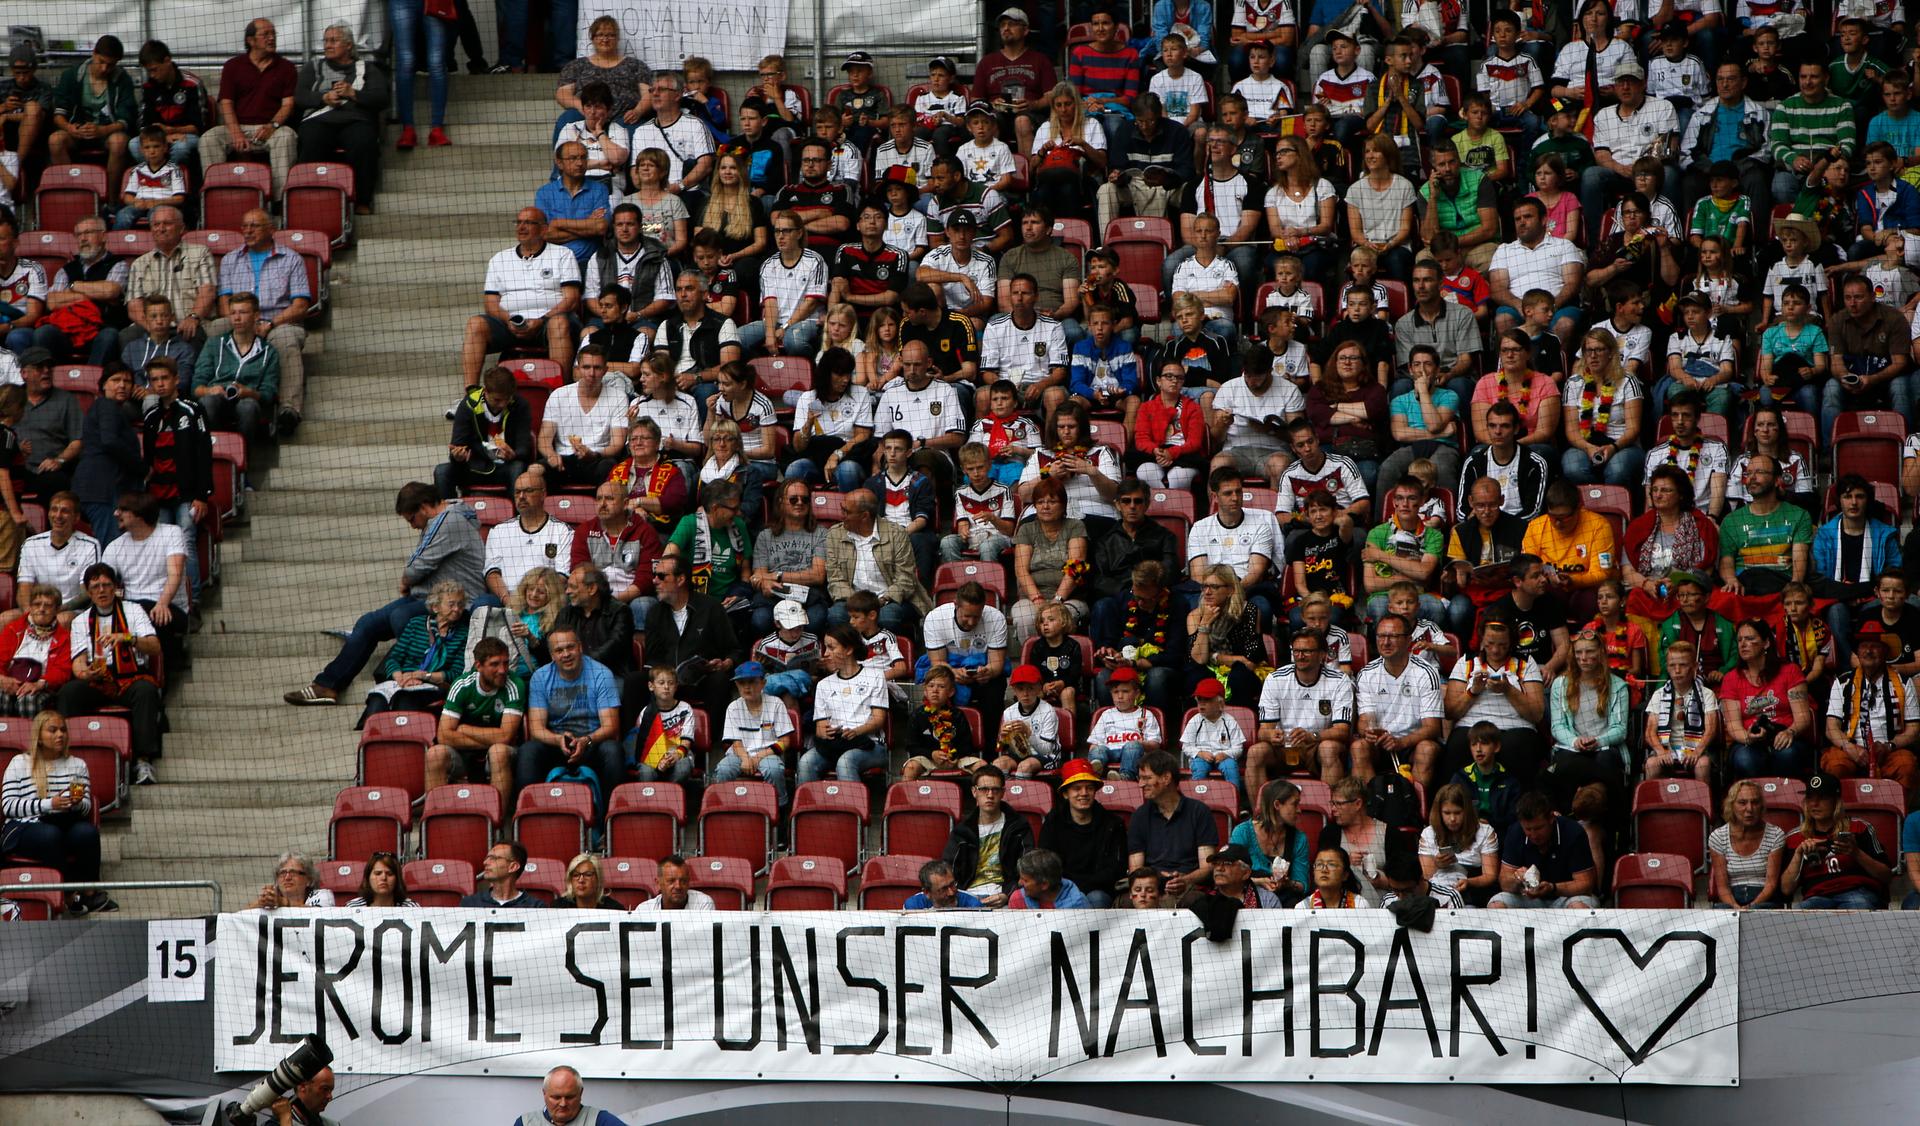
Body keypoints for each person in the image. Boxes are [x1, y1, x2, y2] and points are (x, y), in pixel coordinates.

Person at [285, 483, 485, 706]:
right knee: (368, 623)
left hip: (456, 603)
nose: (413, 527)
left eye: (412, 519)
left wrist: (405, 580)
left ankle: (418, 675)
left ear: (425, 507)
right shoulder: (441, 520)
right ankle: (327, 685)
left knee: (401, 616)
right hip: (429, 597)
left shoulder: (450, 520)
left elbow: (415, 568)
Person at [61, 562, 164, 783]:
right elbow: (78, 663)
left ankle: (143, 761)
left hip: (131, 676)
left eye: (106, 585)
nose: (101, 590)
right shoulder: (80, 621)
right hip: (99, 678)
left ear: (115, 588)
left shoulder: (134, 610)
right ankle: (70, 761)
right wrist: (84, 674)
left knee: (146, 690)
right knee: (69, 692)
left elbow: (155, 646)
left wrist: (127, 638)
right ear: (88, 592)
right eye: (95, 586)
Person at [460, 209, 583, 390]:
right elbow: (490, 303)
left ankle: (560, 395)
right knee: (475, 323)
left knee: (558, 324)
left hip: (549, 324)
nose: (521, 227)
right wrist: (508, 321)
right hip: (511, 325)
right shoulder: (500, 259)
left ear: (543, 229)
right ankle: (471, 394)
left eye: (528, 223)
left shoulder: (562, 254)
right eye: (518, 223)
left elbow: (571, 298)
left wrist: (541, 321)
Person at [0, 710, 109, 914]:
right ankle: (66, 895)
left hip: (63, 821)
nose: (60, 735)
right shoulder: (19, 763)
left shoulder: (77, 765)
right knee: (50, 835)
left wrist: (75, 803)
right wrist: (50, 804)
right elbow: (8, 806)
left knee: (87, 833)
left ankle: (90, 893)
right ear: (39, 737)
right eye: (53, 730)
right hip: (24, 827)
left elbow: (86, 806)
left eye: (63, 730)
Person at [211, 212, 310, 434]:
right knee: (216, 327)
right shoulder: (230, 259)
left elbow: (301, 305)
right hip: (239, 318)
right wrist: (240, 320)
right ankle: (212, 395)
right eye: (244, 226)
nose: (247, 231)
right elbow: (224, 302)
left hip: (278, 321)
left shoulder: (291, 259)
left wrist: (271, 324)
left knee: (285, 338)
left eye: (254, 226)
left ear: (271, 229)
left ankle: (289, 409)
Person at [1821, 621, 1919, 801]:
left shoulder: (1904, 683)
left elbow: (1914, 729)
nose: (1868, 651)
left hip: (1890, 750)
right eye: (1864, 646)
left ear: (1886, 652)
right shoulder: (1842, 682)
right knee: (1835, 764)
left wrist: (1890, 746)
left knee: (1906, 765)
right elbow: (1831, 728)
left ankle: (1898, 819)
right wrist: (1849, 747)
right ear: (1857, 652)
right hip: (1850, 749)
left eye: (1875, 646)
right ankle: (1840, 818)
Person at [293, 23, 387, 210]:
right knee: (311, 139)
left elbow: (382, 99)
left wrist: (354, 94)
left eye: (334, 41)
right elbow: (299, 96)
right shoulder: (313, 67)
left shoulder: (367, 69)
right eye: (326, 41)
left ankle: (361, 201)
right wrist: (323, 97)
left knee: (363, 142)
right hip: (319, 120)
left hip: (356, 121)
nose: (327, 45)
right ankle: (308, 200)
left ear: (349, 46)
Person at [1247, 627, 1354, 788]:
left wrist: (1313, 736)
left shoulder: (1339, 681)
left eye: (1307, 651)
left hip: (1318, 744)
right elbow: (1263, 731)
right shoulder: (1275, 679)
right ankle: (1259, 813)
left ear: (1322, 655)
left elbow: (1343, 731)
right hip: (1285, 746)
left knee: (1329, 748)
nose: (1300, 656)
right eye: (1296, 651)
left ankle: (1332, 809)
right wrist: (1272, 735)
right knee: (1256, 752)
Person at [425, 637, 523, 809]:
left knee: (498, 751)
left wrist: (464, 729)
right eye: (494, 664)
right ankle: (437, 820)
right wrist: (490, 737)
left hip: (501, 755)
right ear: (478, 666)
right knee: (435, 754)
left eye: (505, 663)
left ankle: (495, 823)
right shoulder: (461, 685)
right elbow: (443, 735)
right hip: (464, 753)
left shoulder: (514, 685)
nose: (502, 670)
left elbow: (506, 737)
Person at [824, 488, 932, 633]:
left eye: (847, 512)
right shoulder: (834, 534)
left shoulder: (896, 534)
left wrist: (881, 601)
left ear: (864, 516)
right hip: (851, 600)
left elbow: (906, 579)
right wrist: (857, 603)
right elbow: (835, 579)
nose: (841, 515)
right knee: (836, 616)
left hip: (890, 600)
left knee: (888, 618)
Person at [1546, 631, 1631, 815]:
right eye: (1578, 653)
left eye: (1589, 652)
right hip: (1571, 747)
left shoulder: (1618, 686)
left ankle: (1614, 823)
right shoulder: (1560, 685)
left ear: (1601, 652)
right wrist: (1575, 741)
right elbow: (1557, 726)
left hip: (1605, 747)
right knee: (1566, 765)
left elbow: (1620, 729)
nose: (1583, 658)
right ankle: (1569, 816)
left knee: (1606, 762)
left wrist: (1598, 741)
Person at [1783, 771, 1892, 909]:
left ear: (1836, 801)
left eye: (1822, 798)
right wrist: (1799, 855)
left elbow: (1886, 876)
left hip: (1857, 892)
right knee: (1800, 911)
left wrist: (1856, 853)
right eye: (1810, 798)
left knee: (1859, 905)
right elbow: (1786, 889)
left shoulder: (1859, 827)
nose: (1814, 804)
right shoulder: (1795, 837)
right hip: (1817, 897)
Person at [47, 36, 136, 199]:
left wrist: (103, 130)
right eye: (101, 62)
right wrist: (69, 128)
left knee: (119, 142)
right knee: (55, 140)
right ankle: (74, 195)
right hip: (77, 131)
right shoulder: (72, 76)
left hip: (107, 132)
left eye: (110, 65)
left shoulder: (122, 79)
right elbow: (58, 115)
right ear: (93, 54)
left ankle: (111, 200)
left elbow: (127, 119)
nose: (104, 68)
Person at [1036, 758, 1127, 907]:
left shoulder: (1113, 824)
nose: (1084, 793)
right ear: (1065, 793)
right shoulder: (1053, 822)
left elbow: (1115, 870)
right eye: (1077, 788)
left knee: (1097, 898)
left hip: (1099, 890)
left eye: (1089, 788)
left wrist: (1082, 885)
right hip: (1060, 887)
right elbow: (1046, 863)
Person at [1128, 750, 1218, 897]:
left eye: (1147, 778)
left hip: (1191, 888)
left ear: (1166, 778)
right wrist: (1157, 879)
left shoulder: (1199, 812)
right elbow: (1135, 869)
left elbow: (1207, 867)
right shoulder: (1139, 816)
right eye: (1140, 778)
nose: (1140, 784)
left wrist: (1185, 880)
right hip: (1150, 889)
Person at [1488, 791, 1599, 909]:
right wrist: (1516, 879)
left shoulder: (1573, 832)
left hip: (1567, 897)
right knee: (1496, 905)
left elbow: (1586, 884)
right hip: (1529, 898)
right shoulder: (1515, 832)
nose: (1534, 834)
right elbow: (1504, 882)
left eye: (1539, 828)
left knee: (1579, 908)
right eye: (1528, 829)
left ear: (1551, 818)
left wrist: (1552, 888)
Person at [435, 366, 533, 498]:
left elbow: (524, 446)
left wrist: (514, 455)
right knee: (442, 472)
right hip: (476, 467)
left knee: (518, 468)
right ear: (485, 391)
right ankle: (451, 514)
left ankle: (517, 517)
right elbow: (458, 446)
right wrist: (458, 457)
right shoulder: (468, 405)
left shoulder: (520, 405)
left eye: (507, 399)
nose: (503, 404)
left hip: (506, 467)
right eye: (497, 400)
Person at [72, 367, 143, 547]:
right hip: (101, 488)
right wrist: (142, 468)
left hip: (98, 487)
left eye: (127, 382)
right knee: (111, 546)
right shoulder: (107, 405)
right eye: (116, 380)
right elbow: (110, 441)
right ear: (103, 385)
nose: (122, 385)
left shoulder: (110, 408)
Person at [942, 764, 1031, 905]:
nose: (990, 795)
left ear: (1003, 792)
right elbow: (947, 868)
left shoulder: (1019, 827)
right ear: (974, 792)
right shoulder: (962, 831)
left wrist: (1007, 895)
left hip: (1007, 897)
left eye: (995, 789)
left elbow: (1028, 868)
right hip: (966, 896)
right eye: (983, 789)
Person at [714, 661, 795, 803]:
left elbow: (785, 741)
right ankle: (725, 807)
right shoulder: (733, 707)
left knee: (774, 770)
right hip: (740, 754)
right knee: (723, 769)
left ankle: (780, 807)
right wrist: (746, 759)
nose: (746, 687)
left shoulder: (776, 703)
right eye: (741, 683)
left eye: (752, 682)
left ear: (763, 683)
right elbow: (736, 742)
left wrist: (758, 757)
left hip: (767, 753)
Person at [15, 493, 100, 619]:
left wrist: (56, 611)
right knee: (3, 619)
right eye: (54, 510)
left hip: (71, 611)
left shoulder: (90, 545)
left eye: (64, 511)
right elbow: (24, 589)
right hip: (38, 609)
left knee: (62, 620)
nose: (58, 516)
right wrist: (30, 614)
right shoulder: (31, 544)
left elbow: (86, 594)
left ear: (76, 517)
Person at [1709, 779, 1786, 909]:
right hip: (1732, 898)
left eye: (1755, 802)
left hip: (1764, 899)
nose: (1749, 809)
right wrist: (1735, 907)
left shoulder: (1775, 834)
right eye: (1742, 803)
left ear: (1761, 806)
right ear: (1731, 805)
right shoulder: (1718, 837)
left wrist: (1751, 907)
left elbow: (1771, 884)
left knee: (1759, 911)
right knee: (1721, 911)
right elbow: (1722, 887)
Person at [1229, 779, 1309, 903]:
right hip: (1247, 898)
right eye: (1295, 804)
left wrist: (1288, 883)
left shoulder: (1299, 839)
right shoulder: (1242, 832)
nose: (1299, 810)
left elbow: (1302, 884)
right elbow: (1231, 876)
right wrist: (1259, 882)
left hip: (1286, 900)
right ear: (1277, 805)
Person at [461, 842, 547, 909]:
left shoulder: (535, 907)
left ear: (513, 867)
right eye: (487, 858)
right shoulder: (470, 904)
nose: (485, 863)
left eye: (494, 858)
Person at [1007, 847, 1092, 908]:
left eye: (1025, 880)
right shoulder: (1018, 899)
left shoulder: (1080, 903)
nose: (1019, 883)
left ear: (1044, 884)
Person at [250, 849, 334, 909]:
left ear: (309, 880)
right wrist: (260, 903)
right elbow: (240, 918)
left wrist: (283, 903)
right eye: (282, 873)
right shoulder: (273, 897)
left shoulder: (322, 895)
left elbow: (320, 915)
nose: (287, 877)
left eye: (293, 872)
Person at [634, 855, 715, 911]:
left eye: (683, 881)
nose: (678, 886)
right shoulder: (645, 910)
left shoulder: (703, 903)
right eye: (671, 881)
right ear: (658, 883)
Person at [903, 858, 984, 909]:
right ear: (927, 892)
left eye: (952, 884)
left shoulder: (973, 905)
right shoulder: (914, 906)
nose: (951, 892)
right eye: (943, 889)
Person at [345, 851, 415, 908]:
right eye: (378, 873)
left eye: (389, 874)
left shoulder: (410, 907)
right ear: (368, 877)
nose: (383, 878)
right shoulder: (353, 907)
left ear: (397, 879)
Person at [553, 854, 625, 910]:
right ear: (570, 880)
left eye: (587, 875)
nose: (581, 880)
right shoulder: (558, 908)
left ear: (598, 879)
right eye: (576, 875)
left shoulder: (614, 910)